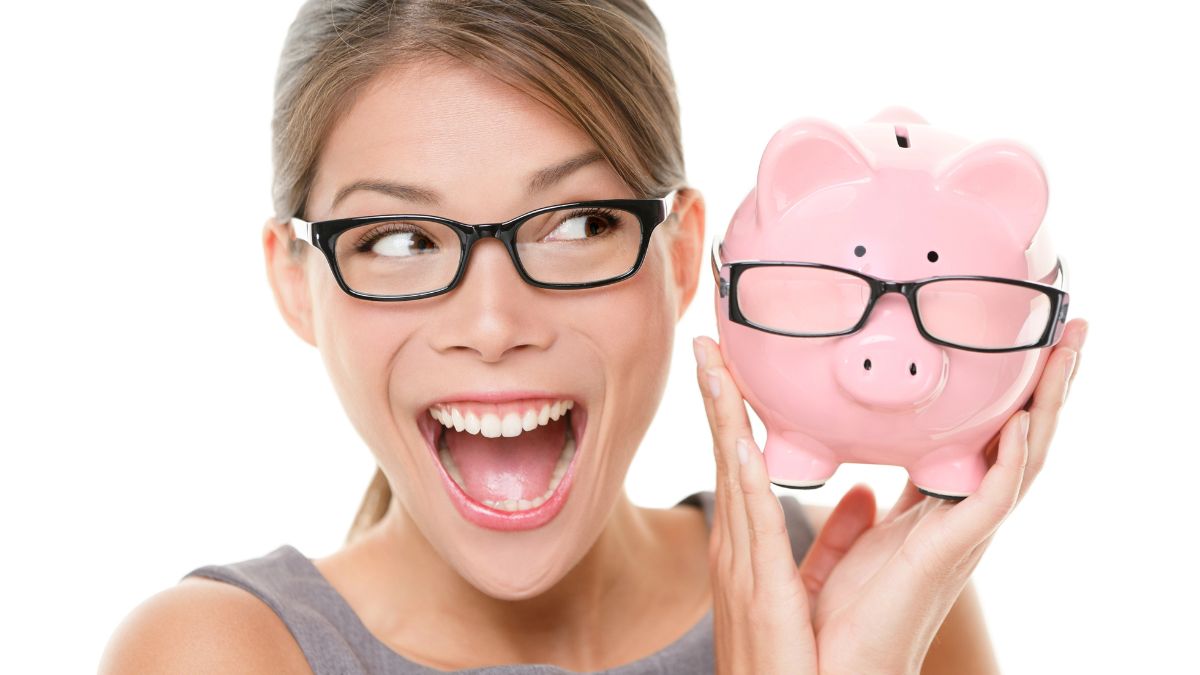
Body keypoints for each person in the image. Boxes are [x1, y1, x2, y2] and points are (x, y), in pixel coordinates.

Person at [98, 1, 1088, 673]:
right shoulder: (218, 654)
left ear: (682, 254)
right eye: (397, 238)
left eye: (578, 225)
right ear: (294, 281)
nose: (492, 327)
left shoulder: (873, 594)